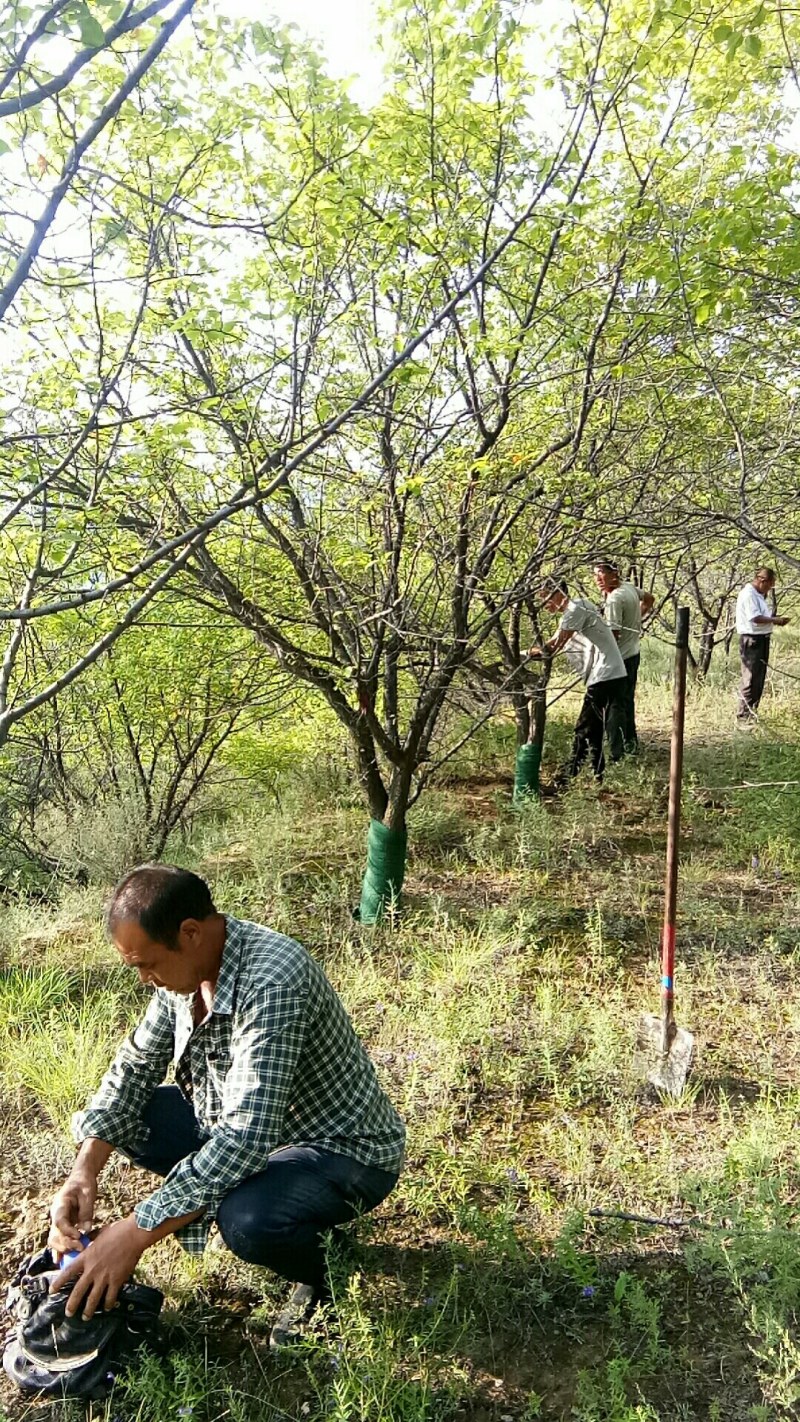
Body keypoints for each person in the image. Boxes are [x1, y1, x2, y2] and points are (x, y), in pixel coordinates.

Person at [47, 866, 405, 1349]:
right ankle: (261, 1205)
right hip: (253, 1128)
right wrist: (83, 1170)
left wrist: (134, 1233)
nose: (144, 980)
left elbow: (246, 1138)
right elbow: (134, 1067)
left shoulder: (274, 979)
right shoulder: (185, 974)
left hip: (342, 1150)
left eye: (146, 964)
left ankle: (327, 1270)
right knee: (134, 1119)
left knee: (247, 1221)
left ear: (190, 933)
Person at [529, 578, 627, 780]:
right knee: (594, 727)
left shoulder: (575, 609)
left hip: (606, 674)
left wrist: (524, 655)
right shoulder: (577, 608)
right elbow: (554, 642)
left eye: (545, 598)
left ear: (557, 592)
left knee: (584, 725)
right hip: (608, 673)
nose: (544, 604)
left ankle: (568, 774)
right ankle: (597, 773)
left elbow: (554, 646)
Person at [594, 561, 643, 753]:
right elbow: (649, 598)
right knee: (626, 701)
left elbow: (612, 635)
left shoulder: (615, 599)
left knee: (614, 706)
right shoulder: (629, 588)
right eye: (595, 575)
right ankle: (631, 744)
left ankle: (617, 751)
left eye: (602, 574)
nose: (598, 579)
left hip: (620, 658)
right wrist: (637, 621)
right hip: (633, 653)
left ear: (614, 574)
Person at [735, 567, 789, 721]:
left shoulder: (758, 596)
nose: (769, 589)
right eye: (769, 585)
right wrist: (775, 620)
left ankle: (752, 713)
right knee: (750, 679)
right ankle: (743, 716)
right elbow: (755, 618)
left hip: (761, 638)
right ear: (761, 580)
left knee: (759, 678)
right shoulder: (749, 594)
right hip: (752, 640)